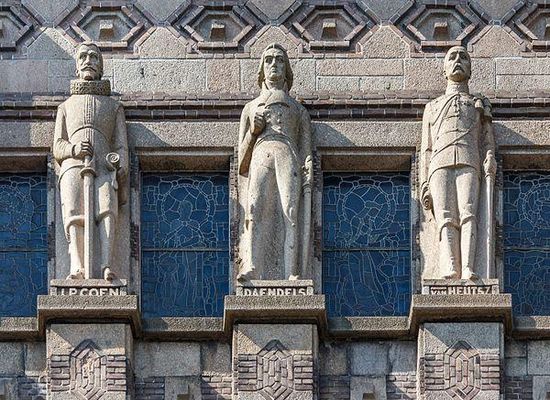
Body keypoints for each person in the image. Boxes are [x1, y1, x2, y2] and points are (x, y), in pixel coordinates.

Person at [237, 43, 313, 281]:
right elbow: (241, 162)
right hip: (261, 154)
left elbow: (306, 148)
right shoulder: (250, 108)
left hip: (288, 155)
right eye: (268, 60)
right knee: (254, 208)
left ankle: (292, 272)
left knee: (290, 212)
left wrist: (308, 165)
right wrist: (253, 131)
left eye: (279, 60)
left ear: (286, 68)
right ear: (261, 69)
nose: (274, 65)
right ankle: (252, 266)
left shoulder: (298, 110)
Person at [53, 42, 128, 280]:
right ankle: (77, 265)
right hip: (73, 164)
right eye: (83, 57)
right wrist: (73, 148)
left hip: (104, 165)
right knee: (74, 213)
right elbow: (58, 145)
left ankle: (106, 265)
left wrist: (120, 164)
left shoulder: (114, 107)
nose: (88, 61)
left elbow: (121, 145)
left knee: (107, 210)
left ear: (101, 67)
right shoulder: (65, 107)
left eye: (94, 57)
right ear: (77, 66)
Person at [420, 46, 496, 280]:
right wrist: (424, 182)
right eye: (452, 57)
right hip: (439, 163)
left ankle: (468, 267)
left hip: (469, 159)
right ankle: (450, 266)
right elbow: (426, 148)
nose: (457, 61)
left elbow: (486, 139)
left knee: (468, 214)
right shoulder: (432, 106)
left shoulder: (478, 104)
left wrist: (490, 156)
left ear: (470, 69)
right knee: (445, 217)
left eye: (463, 57)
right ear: (444, 70)